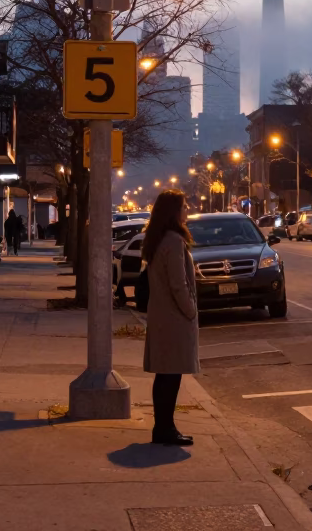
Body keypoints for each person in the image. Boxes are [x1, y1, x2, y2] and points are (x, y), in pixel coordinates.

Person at [141, 189, 199, 447]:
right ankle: (165, 429)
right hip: (174, 318)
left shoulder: (159, 239)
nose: (187, 211)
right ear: (173, 212)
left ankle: (163, 427)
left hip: (162, 315)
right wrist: (191, 310)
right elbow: (178, 284)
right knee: (171, 376)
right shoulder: (174, 241)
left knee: (165, 374)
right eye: (184, 207)